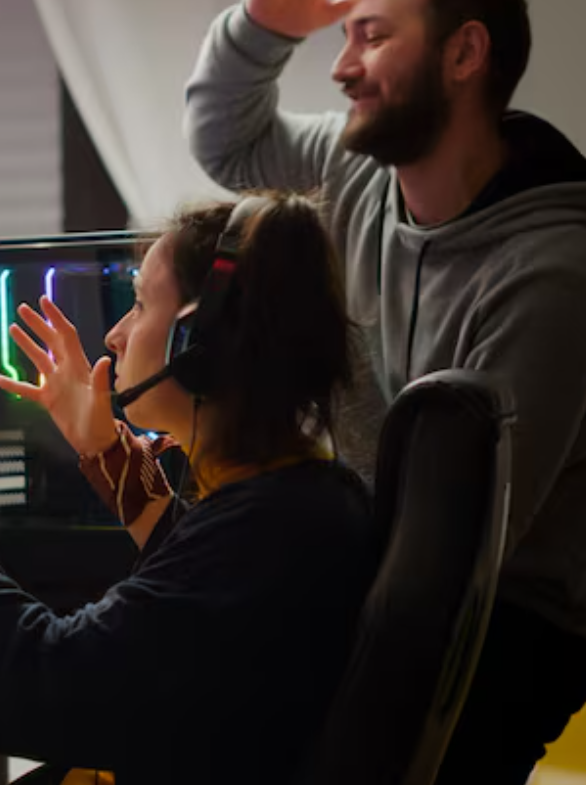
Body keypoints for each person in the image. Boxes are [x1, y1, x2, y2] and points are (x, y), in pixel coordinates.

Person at [0, 192, 381, 785]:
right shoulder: (305, 497)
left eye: (140, 305)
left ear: (199, 346)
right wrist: (103, 448)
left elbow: (42, 680)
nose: (116, 334)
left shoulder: (265, 532)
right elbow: (192, 583)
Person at [184, 1, 586, 781]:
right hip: (382, 563)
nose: (341, 68)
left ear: (464, 54)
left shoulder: (552, 274)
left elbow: (457, 548)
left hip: (507, 613)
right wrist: (268, 20)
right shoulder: (355, 172)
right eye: (344, 38)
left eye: (371, 37)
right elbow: (227, 140)